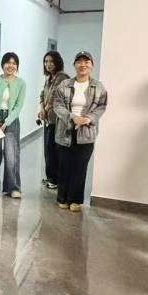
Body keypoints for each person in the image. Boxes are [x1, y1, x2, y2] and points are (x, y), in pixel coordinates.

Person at [53, 51, 108, 212]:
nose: (83, 65)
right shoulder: (64, 85)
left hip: (86, 132)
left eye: (86, 62)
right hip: (65, 130)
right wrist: (73, 118)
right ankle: (62, 198)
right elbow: (57, 105)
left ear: (92, 65)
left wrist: (88, 119)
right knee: (64, 166)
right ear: (74, 65)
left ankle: (75, 199)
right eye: (79, 62)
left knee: (80, 167)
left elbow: (101, 106)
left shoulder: (98, 87)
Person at [0, 52, 27, 198]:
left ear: (17, 66)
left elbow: (18, 106)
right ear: (3, 64)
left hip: (12, 120)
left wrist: (7, 122)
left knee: (12, 155)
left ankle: (13, 188)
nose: (11, 66)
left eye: (14, 63)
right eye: (8, 62)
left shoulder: (21, 83)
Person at [38, 51, 69, 190]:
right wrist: (41, 107)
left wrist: (45, 109)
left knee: (53, 150)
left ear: (57, 62)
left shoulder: (61, 77)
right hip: (48, 119)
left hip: (57, 120)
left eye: (51, 61)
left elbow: (55, 96)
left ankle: (55, 179)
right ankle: (50, 177)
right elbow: (42, 94)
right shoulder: (49, 78)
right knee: (48, 149)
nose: (48, 64)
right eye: (46, 61)